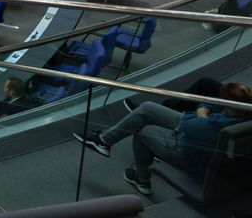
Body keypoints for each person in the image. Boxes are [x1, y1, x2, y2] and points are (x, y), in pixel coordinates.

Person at [75, 83, 252, 196]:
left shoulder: (218, 124)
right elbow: (202, 114)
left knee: (143, 130)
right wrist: (204, 110)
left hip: (190, 153)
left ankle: (142, 179)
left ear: (228, 106)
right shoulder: (244, 116)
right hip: (206, 145)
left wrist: (201, 112)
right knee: (147, 108)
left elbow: (189, 125)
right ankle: (104, 140)